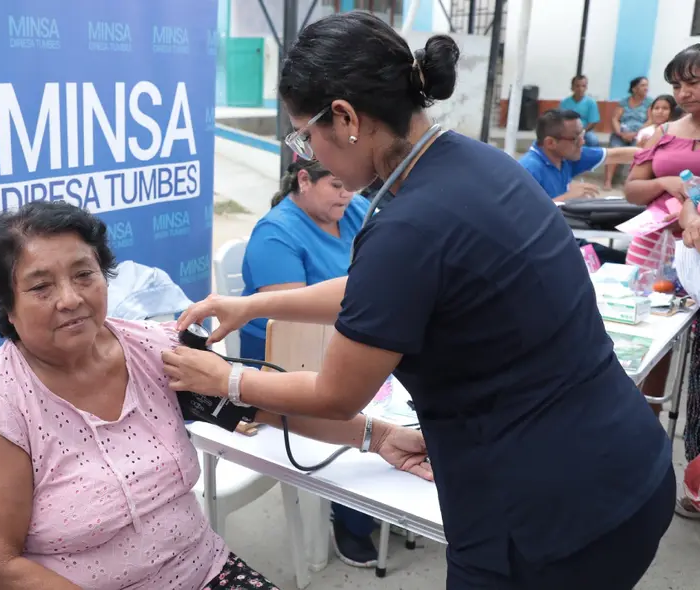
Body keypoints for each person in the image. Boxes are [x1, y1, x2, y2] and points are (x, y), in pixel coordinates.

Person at [161, 12, 675, 590]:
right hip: (628, 468)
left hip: (546, 520)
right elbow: (380, 291)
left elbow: (336, 392)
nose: (310, 155)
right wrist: (254, 306)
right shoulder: (477, 165)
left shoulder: (408, 224)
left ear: (347, 118)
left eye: (306, 135)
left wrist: (224, 379)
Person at [0, 201, 431, 590]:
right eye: (41, 286)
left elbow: (261, 403)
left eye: (84, 274)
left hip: (205, 574)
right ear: (7, 304)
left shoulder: (155, 351)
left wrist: (378, 435)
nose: (70, 298)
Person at [240, 160, 379, 567]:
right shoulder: (275, 235)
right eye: (336, 185)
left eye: (351, 186)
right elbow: (294, 327)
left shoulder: (352, 208)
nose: (347, 194)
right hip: (287, 356)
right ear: (304, 180)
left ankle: (384, 496)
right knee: (353, 406)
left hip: (354, 334)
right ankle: (351, 516)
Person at [643, 43, 700, 519]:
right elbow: (632, 187)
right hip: (659, 255)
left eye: (693, 82)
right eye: (677, 84)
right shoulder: (662, 132)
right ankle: (643, 445)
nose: (683, 93)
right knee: (652, 354)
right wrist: (666, 186)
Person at [517, 108, 637, 265]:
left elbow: (616, 155)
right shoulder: (527, 170)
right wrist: (566, 198)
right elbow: (524, 219)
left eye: (583, 134)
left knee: (629, 258)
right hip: (543, 250)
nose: (583, 142)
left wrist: (663, 154)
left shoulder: (566, 156)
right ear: (550, 143)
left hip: (569, 238)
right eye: (576, 138)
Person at [605, 77, 653, 189]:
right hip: (621, 134)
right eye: (643, 85)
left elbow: (650, 120)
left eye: (647, 85)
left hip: (638, 134)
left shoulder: (649, 103)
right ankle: (608, 181)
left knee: (638, 151)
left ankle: (629, 181)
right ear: (635, 88)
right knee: (614, 150)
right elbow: (615, 119)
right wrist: (620, 133)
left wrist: (635, 134)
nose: (646, 88)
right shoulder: (624, 102)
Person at [559, 75, 601, 147]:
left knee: (593, 140)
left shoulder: (591, 102)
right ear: (572, 87)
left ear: (586, 87)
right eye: (577, 86)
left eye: (583, 86)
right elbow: (560, 119)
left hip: (585, 131)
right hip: (568, 131)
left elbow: (593, 121)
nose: (580, 89)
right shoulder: (564, 103)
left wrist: (582, 132)